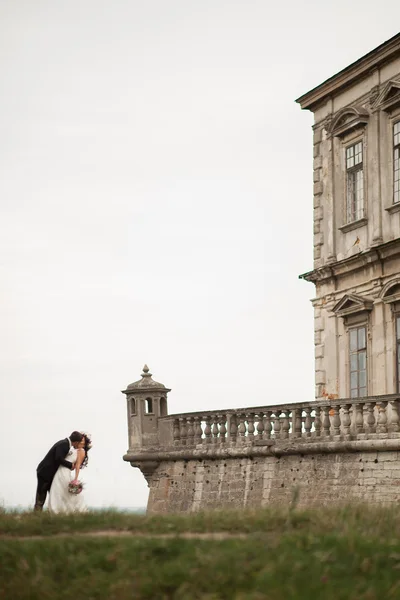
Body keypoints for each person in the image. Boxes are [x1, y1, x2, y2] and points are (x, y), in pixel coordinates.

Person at [34, 431, 84, 511]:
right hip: (45, 472)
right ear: (76, 442)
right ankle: (38, 513)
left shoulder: (64, 443)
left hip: (49, 472)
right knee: (41, 494)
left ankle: (54, 510)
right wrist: (70, 465)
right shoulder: (64, 444)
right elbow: (58, 458)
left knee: (54, 493)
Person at [48, 432, 92, 514]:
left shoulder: (82, 451)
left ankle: (66, 510)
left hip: (65, 471)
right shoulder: (72, 449)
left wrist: (76, 479)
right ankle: (56, 509)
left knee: (63, 490)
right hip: (59, 470)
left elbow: (77, 465)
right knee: (57, 489)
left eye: (83, 441)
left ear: (85, 444)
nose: (81, 442)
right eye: (80, 440)